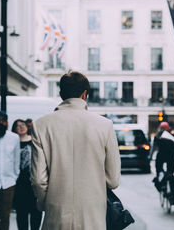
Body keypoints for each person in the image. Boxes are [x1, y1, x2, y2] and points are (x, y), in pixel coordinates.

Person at [31, 71, 121, 230]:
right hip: (92, 213)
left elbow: (38, 179)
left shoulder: (41, 125)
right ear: (84, 94)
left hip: (56, 211)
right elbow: (113, 180)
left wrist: (48, 202)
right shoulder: (105, 125)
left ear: (60, 94)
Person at [12, 119, 42, 230]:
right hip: (19, 185)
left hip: (34, 182)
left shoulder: (35, 141)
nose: (21, 127)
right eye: (17, 126)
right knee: (21, 214)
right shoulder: (13, 144)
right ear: (14, 129)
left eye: (23, 124)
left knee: (36, 213)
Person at [152, 121, 174, 204]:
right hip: (171, 157)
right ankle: (172, 194)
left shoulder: (157, 136)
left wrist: (151, 156)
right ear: (168, 128)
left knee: (159, 171)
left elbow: (154, 147)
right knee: (170, 173)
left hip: (161, 156)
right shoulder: (172, 136)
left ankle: (162, 185)